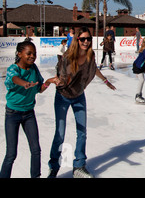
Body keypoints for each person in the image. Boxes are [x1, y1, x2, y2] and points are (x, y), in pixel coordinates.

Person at [48, 26, 116, 178]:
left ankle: (79, 165)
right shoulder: (68, 57)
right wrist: (58, 81)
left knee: (82, 132)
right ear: (77, 40)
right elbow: (62, 76)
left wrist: (105, 80)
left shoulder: (90, 55)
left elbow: (94, 69)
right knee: (60, 133)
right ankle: (53, 167)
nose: (86, 42)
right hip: (63, 96)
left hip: (79, 95)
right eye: (83, 39)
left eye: (88, 39)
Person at [0, 41, 58, 178]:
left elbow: (39, 89)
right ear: (19, 54)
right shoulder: (14, 69)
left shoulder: (34, 69)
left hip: (29, 114)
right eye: (29, 53)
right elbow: (13, 78)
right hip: (12, 114)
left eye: (34, 54)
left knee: (36, 150)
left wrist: (48, 82)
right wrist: (24, 83)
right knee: (11, 154)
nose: (32, 56)